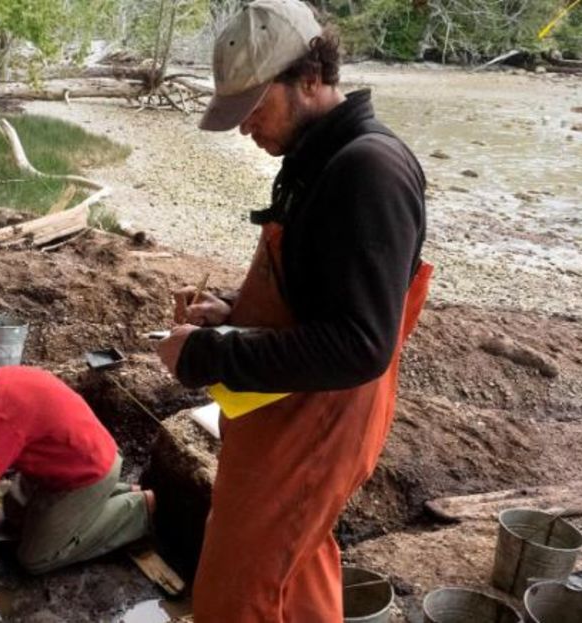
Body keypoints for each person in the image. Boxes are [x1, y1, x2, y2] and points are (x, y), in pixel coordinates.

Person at [155, 1, 431, 620]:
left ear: (310, 78)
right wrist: (231, 308)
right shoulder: (315, 160)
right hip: (286, 406)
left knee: (239, 593)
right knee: (295, 569)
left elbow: (360, 345)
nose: (246, 127)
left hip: (321, 420)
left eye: (255, 106)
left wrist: (208, 354)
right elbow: (315, 293)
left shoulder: (369, 170)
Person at [0, 350, 154, 575]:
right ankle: (112, 493)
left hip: (86, 474)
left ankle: (137, 509)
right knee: (12, 512)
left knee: (36, 558)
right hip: (78, 459)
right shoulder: (1, 380)